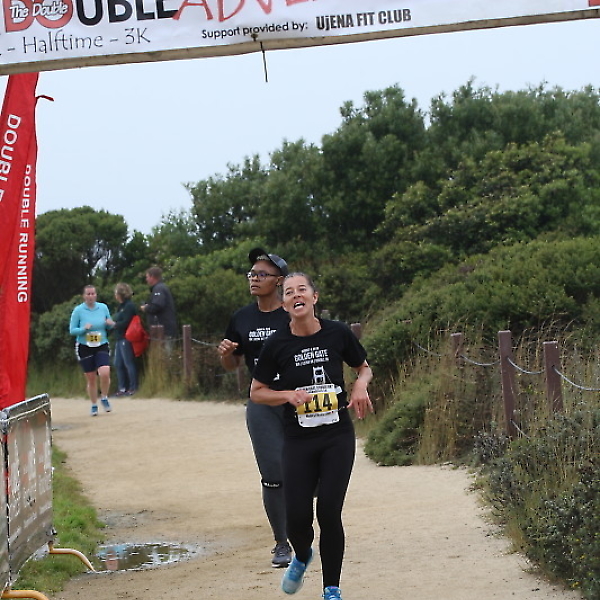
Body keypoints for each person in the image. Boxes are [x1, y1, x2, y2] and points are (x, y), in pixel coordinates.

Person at [250, 273, 373, 600]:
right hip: (298, 440)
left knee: (329, 512)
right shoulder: (277, 343)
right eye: (289, 292)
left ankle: (331, 588)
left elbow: (364, 367)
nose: (296, 295)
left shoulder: (337, 332)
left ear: (314, 297)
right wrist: (287, 395)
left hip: (336, 436)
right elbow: (257, 392)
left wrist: (360, 386)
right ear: (285, 304)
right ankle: (303, 556)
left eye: (301, 289)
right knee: (297, 518)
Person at [217, 247, 292, 568]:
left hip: (298, 400)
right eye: (252, 274)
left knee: (307, 470)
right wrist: (225, 354)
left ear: (279, 281)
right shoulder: (241, 318)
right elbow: (232, 365)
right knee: (272, 473)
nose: (254, 279)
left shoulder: (293, 313)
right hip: (261, 402)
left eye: (262, 274)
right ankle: (282, 543)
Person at [69, 284, 116, 416]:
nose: (91, 296)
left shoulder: (103, 307)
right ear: (84, 296)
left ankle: (104, 397)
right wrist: (83, 329)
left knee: (105, 372)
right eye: (88, 294)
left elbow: (109, 323)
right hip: (85, 346)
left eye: (93, 294)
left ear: (96, 295)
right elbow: (72, 330)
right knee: (91, 378)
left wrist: (110, 324)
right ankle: (94, 404)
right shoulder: (78, 310)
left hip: (101, 343)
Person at [111, 282, 138, 396]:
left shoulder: (129, 306)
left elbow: (126, 322)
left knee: (128, 362)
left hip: (125, 337)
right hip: (119, 338)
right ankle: (122, 388)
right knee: (118, 363)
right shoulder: (120, 306)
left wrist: (114, 324)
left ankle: (133, 387)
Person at [140, 266, 178, 342]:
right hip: (161, 331)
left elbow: (157, 305)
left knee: (164, 349)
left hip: (163, 331)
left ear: (152, 277)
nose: (146, 279)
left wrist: (146, 308)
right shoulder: (159, 288)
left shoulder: (159, 288)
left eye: (147, 277)